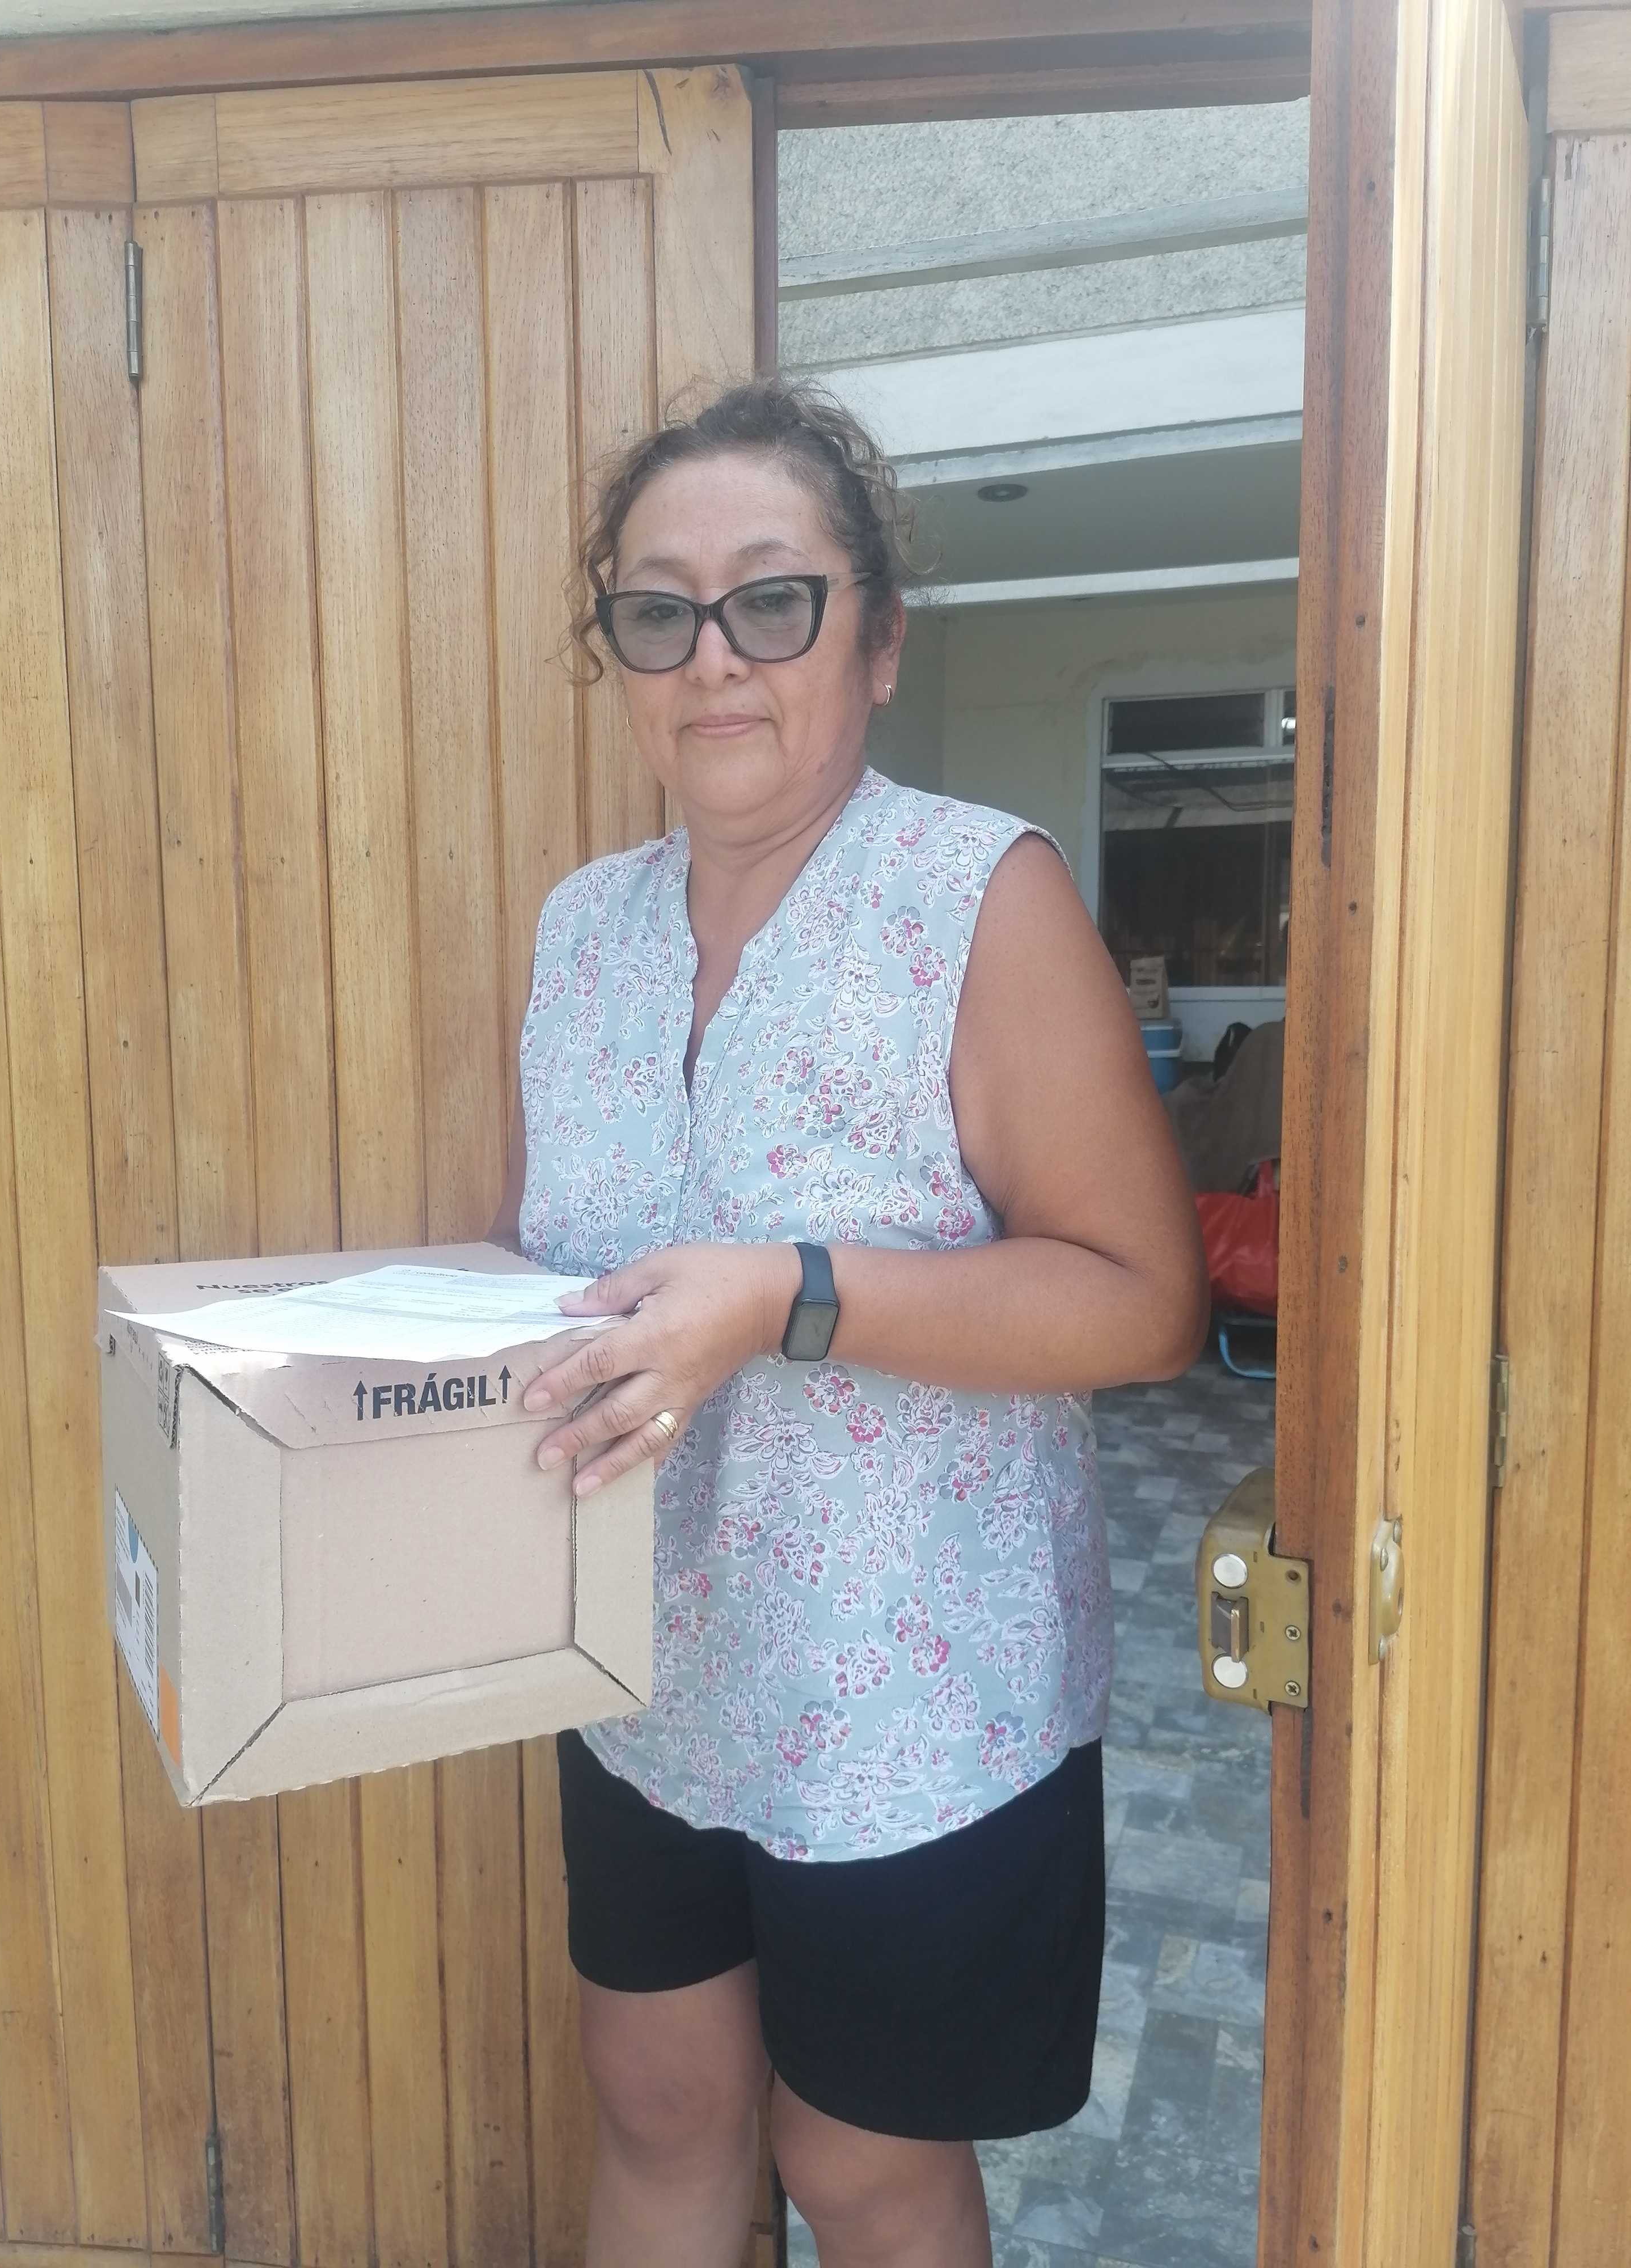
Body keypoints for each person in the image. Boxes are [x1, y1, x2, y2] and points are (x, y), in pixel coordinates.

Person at [488, 377, 1208, 2268]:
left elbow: (1143, 1301)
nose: (714, 656)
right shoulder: (584, 931)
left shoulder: (977, 897)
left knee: (858, 2168)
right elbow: (570, 1250)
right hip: (644, 1671)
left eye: (772, 599)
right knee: (659, 2107)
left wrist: (790, 1293)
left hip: (914, 1707)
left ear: (878, 642)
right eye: (660, 611)